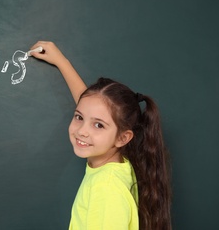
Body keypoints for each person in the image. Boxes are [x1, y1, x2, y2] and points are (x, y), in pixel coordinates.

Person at [29, 41, 172, 230]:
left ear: (123, 138)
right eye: (79, 117)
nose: (82, 130)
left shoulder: (106, 189)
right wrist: (60, 61)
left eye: (98, 125)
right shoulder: (118, 163)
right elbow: (90, 105)